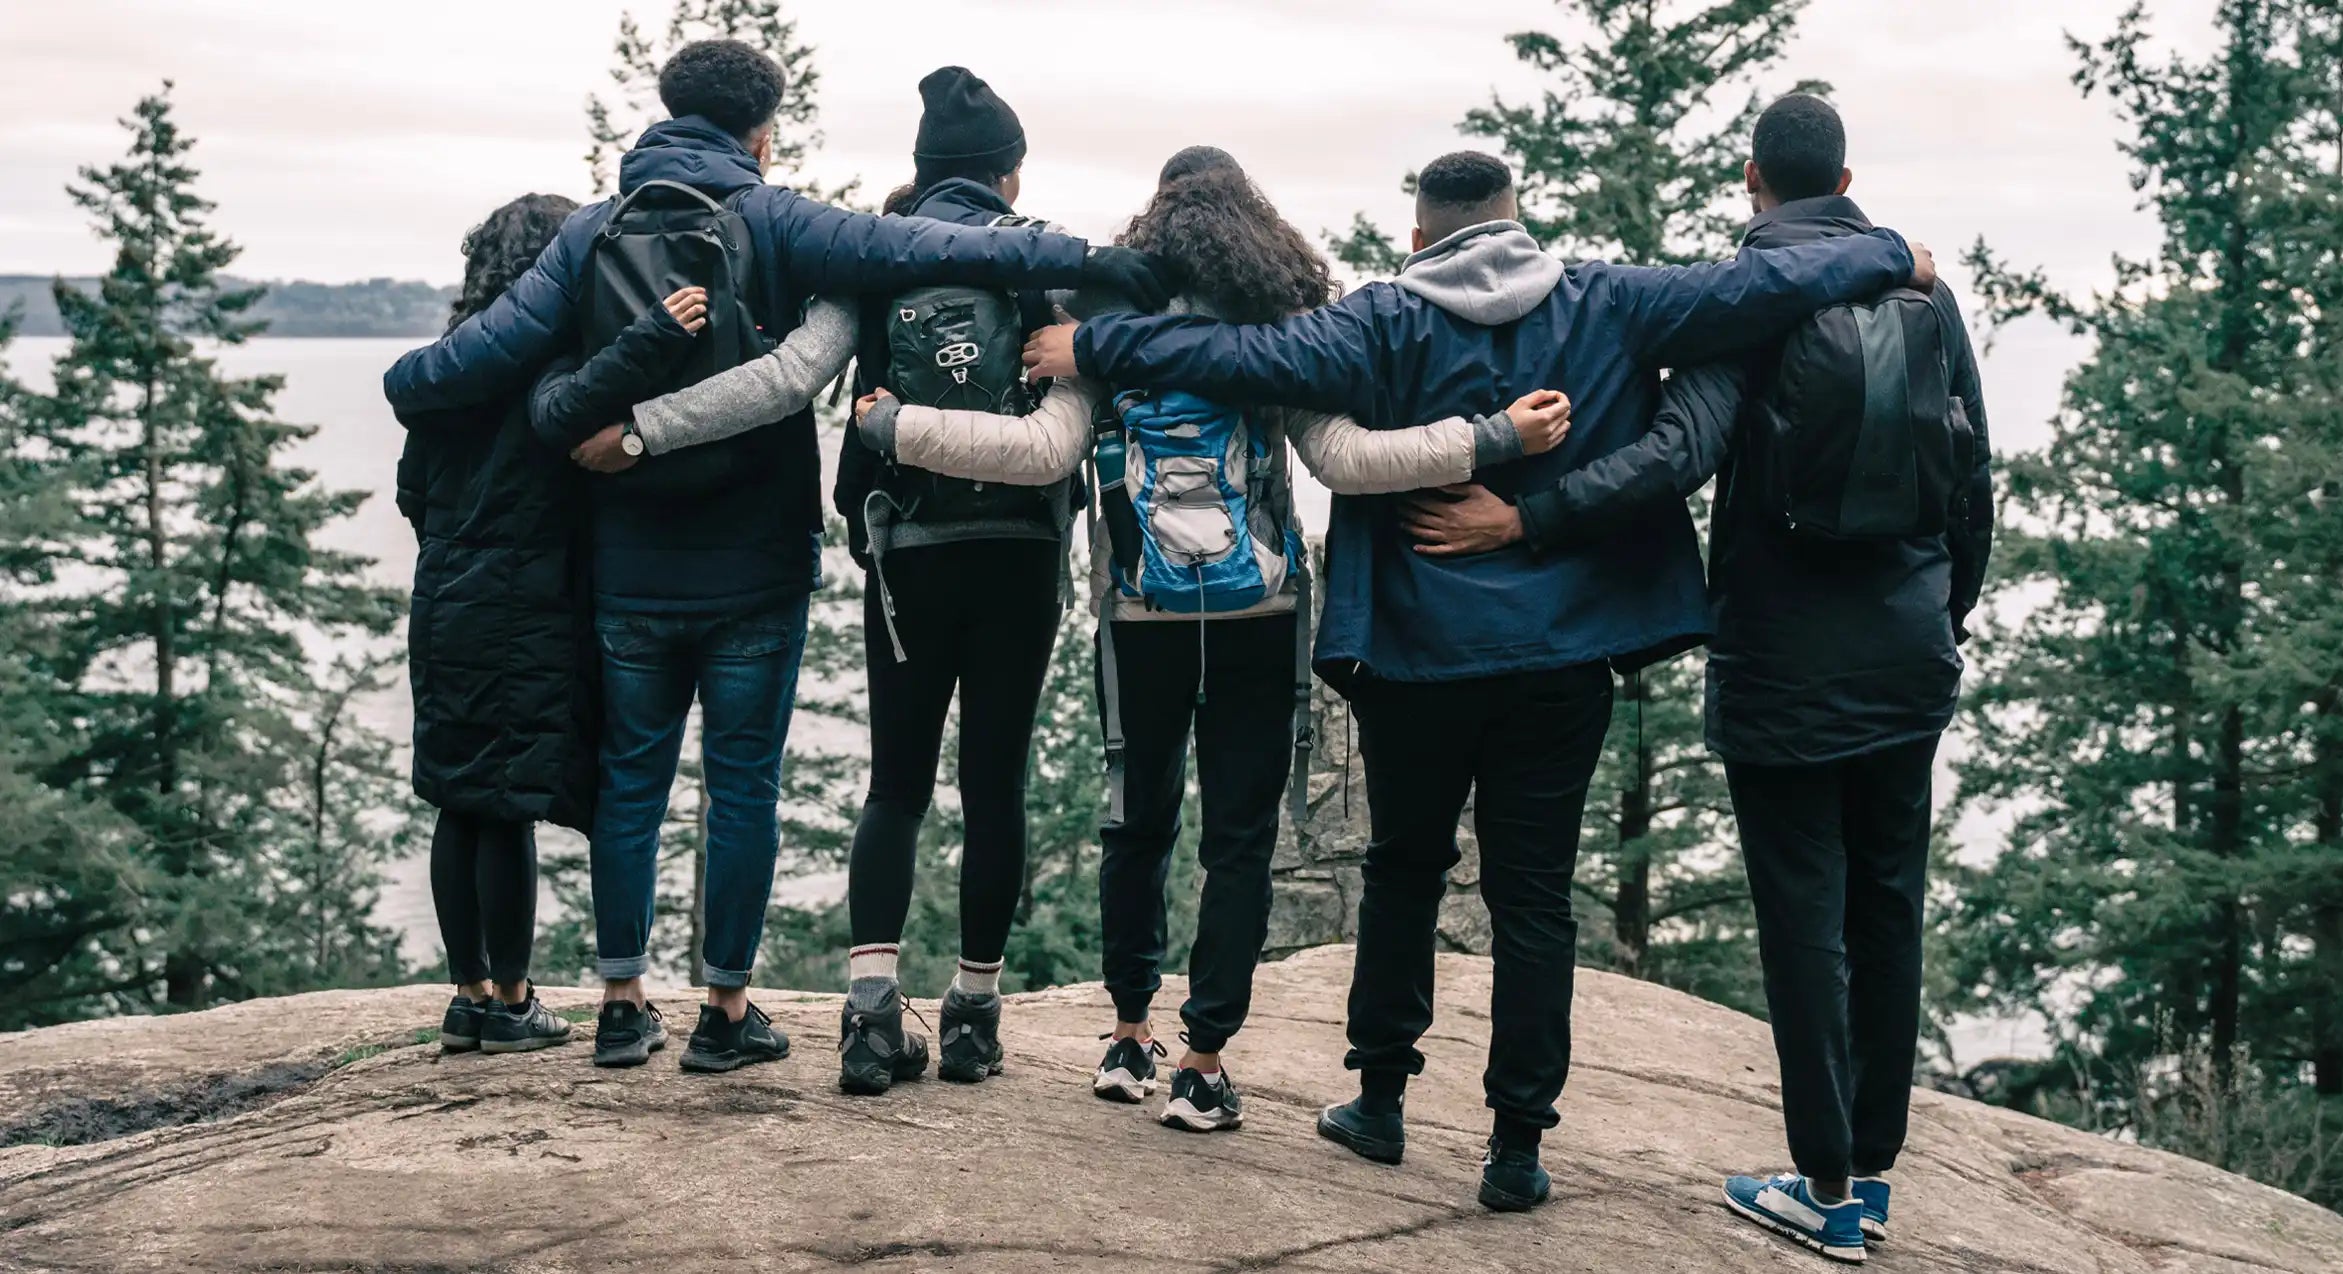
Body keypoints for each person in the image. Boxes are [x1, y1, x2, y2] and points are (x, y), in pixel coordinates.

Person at [1027, 150, 1936, 1212]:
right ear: (1519, 223)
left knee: (1403, 871)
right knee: (1535, 899)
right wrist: (1887, 252)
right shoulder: (1610, 300)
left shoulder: (1380, 320)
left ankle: (1379, 1100)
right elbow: (1756, 286)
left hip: (1417, 656)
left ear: (1420, 238)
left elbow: (1242, 353)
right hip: (1562, 657)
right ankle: (1515, 1145)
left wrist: (1097, 339)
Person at [381, 39, 1168, 1075]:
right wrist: (1082, 261)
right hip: (756, 561)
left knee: (631, 782)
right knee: (745, 783)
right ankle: (723, 1012)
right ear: (761, 132)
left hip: (629, 561)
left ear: (669, 113)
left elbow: (441, 374)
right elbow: (922, 250)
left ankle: (620, 1004)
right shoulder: (774, 217)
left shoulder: (587, 233)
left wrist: (453, 385)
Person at [842, 144, 1571, 1131]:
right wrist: (1490, 439)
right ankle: (1204, 1059)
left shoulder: (1108, 330)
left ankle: (1130, 1035)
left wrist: (895, 427)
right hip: (1257, 617)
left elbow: (1038, 450)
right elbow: (1350, 460)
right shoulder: (1278, 332)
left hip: (1141, 616)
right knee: (1236, 843)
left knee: (1136, 828)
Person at [1412, 96, 1992, 1263]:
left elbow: (1671, 457)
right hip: (1908, 656)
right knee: (1889, 907)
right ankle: (1870, 1173)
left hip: (1785, 664)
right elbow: (1971, 469)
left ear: (1750, 180)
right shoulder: (1925, 294)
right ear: (1846, 174)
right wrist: (1945, 611)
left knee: (1804, 920)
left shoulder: (1755, 306)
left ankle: (1824, 1183)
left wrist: (1523, 518)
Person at [393, 195, 706, 1057]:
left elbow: (413, 493)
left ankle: (466, 997)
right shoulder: (554, 364)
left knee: (458, 796)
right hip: (527, 598)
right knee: (506, 801)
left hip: (446, 590)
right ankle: (513, 999)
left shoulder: (452, 370)